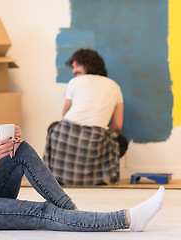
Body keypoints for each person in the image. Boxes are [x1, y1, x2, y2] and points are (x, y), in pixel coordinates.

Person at [0, 55, 164, 232]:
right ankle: (127, 219)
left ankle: (72, 213)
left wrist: (7, 146)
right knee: (43, 212)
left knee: (22, 150)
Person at [44, 48, 128, 185]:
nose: (73, 71)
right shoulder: (115, 86)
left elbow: (64, 114)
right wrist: (101, 135)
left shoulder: (74, 82)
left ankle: (58, 178)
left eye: (77, 65)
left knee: (53, 127)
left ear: (89, 64)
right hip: (95, 139)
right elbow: (117, 126)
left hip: (64, 135)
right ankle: (97, 177)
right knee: (121, 141)